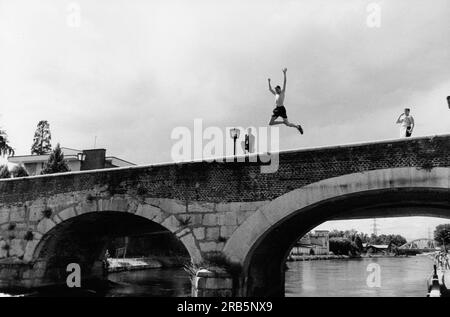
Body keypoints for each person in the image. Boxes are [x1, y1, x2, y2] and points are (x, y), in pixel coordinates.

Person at [268, 68, 303, 134]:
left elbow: (285, 82)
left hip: (282, 109)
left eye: (277, 89)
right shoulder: (276, 94)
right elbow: (270, 89)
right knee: (270, 123)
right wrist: (269, 82)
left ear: (279, 89)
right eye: (275, 90)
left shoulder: (282, 92)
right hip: (277, 109)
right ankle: (283, 122)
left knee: (288, 124)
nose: (276, 90)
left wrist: (284, 73)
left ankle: (297, 126)